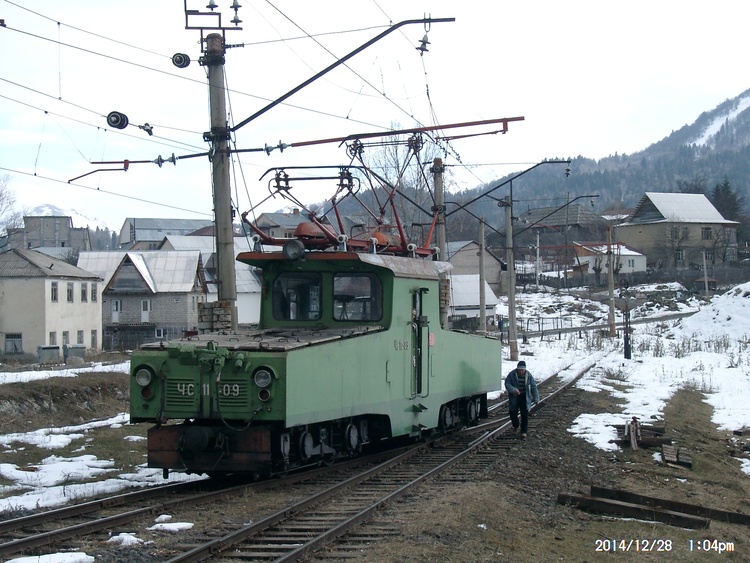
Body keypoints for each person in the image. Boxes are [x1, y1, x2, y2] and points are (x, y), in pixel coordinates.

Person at [504, 360, 539, 439]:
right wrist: (513, 390)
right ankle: (516, 425)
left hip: (524, 397)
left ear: (525, 369)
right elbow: (507, 383)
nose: (521, 371)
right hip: (514, 396)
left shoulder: (528, 375)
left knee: (524, 414)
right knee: (513, 413)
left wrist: (536, 398)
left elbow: (533, 387)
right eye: (520, 370)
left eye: (522, 370)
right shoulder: (512, 374)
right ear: (517, 369)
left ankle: (523, 431)